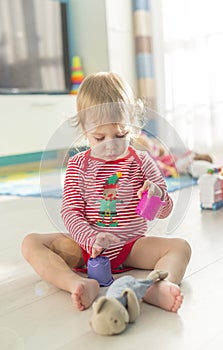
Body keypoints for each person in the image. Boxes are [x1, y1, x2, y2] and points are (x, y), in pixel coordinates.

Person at [21, 72, 191, 312]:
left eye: (120, 135)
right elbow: (70, 211)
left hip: (130, 246)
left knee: (180, 247)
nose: (110, 144)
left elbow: (162, 212)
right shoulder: (78, 165)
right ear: (83, 129)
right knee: (31, 243)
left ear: (132, 127)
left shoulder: (141, 161)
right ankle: (77, 284)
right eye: (99, 137)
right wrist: (90, 239)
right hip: (86, 248)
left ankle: (158, 285)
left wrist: (158, 194)